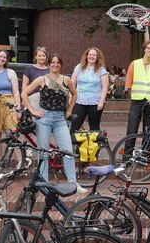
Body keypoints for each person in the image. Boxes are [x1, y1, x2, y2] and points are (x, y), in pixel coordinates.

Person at [21, 53, 84, 192]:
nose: (55, 65)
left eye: (58, 63)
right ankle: (44, 185)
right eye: (53, 62)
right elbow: (24, 93)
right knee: (43, 152)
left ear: (61, 65)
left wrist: (69, 110)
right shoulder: (41, 79)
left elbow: (74, 94)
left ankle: (73, 183)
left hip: (60, 119)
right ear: (49, 65)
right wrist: (32, 110)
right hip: (44, 119)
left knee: (67, 150)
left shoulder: (67, 80)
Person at [124, 40, 150, 145]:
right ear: (144, 49)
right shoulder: (135, 63)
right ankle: (127, 156)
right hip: (137, 101)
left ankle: (145, 156)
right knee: (132, 129)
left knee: (148, 131)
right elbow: (129, 80)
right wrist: (129, 91)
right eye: (149, 48)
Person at [71, 47, 109, 131]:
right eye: (90, 54)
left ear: (97, 57)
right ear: (86, 56)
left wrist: (101, 101)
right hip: (79, 100)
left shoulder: (101, 70)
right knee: (74, 127)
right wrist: (71, 98)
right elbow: (72, 83)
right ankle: (71, 144)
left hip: (95, 102)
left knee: (94, 128)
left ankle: (96, 144)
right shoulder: (79, 67)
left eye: (94, 55)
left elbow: (105, 87)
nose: (91, 57)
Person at [21, 46, 49, 113]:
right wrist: (24, 101)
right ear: (36, 57)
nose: (41, 57)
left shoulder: (49, 70)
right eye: (39, 56)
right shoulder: (29, 69)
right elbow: (24, 85)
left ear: (46, 57)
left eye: (43, 56)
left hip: (46, 101)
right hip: (32, 99)